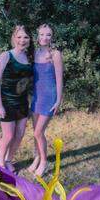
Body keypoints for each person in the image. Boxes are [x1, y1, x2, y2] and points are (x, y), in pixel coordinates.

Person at [0, 25, 33, 171]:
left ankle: (9, 160)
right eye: (19, 37)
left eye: (26, 37)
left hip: (23, 102)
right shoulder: (5, 56)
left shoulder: (30, 57)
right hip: (7, 102)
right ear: (14, 38)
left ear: (30, 39)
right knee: (8, 136)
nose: (22, 40)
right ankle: (1, 164)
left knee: (19, 134)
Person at [28, 23, 63, 177]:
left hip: (49, 97)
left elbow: (60, 80)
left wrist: (58, 100)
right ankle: (37, 157)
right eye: (42, 34)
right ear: (37, 36)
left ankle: (43, 161)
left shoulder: (55, 54)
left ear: (52, 37)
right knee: (35, 131)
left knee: (38, 132)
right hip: (36, 97)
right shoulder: (34, 53)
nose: (44, 37)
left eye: (48, 34)